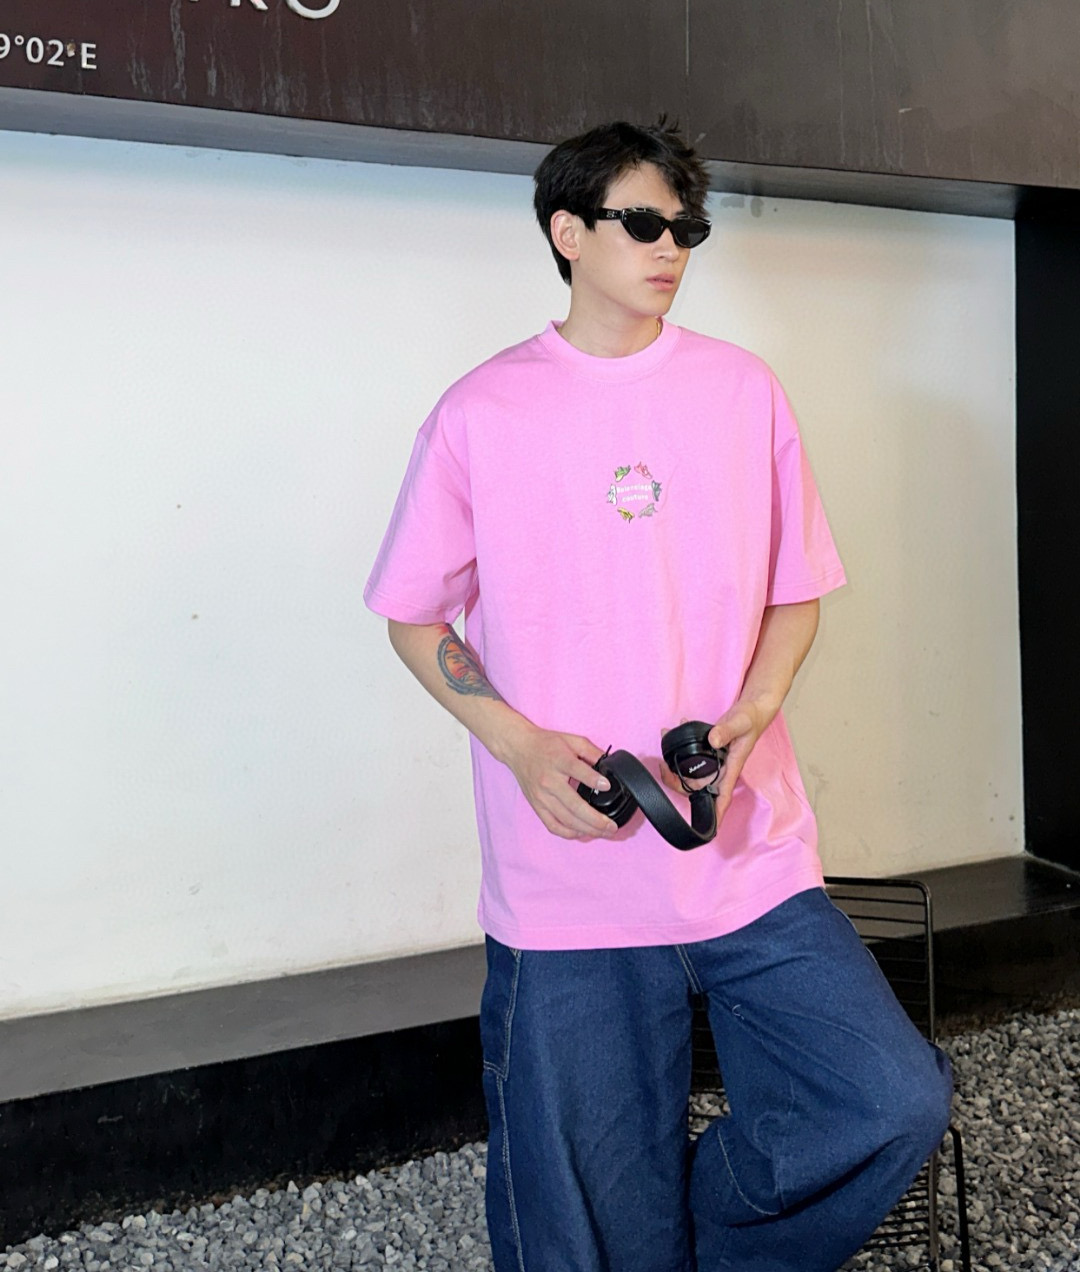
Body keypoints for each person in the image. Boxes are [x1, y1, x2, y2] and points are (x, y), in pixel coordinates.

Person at [364, 121, 952, 1272]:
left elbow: (795, 596)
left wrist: (755, 711)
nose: (671, 246)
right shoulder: (482, 412)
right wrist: (521, 747)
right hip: (568, 883)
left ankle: (709, 1247)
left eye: (687, 227)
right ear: (567, 233)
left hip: (746, 856)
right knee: (582, 1225)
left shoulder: (743, 393)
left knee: (887, 1101)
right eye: (643, 223)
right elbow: (414, 618)